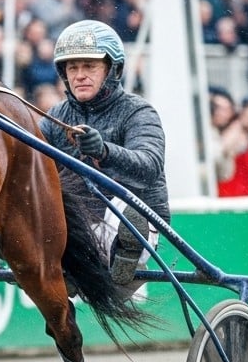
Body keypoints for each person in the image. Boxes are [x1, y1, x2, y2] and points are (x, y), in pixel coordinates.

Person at [39, 19, 168, 285]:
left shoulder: (138, 111)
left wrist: (104, 152)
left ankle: (123, 252)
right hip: (76, 226)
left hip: (134, 218)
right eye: (72, 68)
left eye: (89, 66)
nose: (79, 75)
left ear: (113, 69)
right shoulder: (55, 117)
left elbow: (149, 166)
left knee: (125, 206)